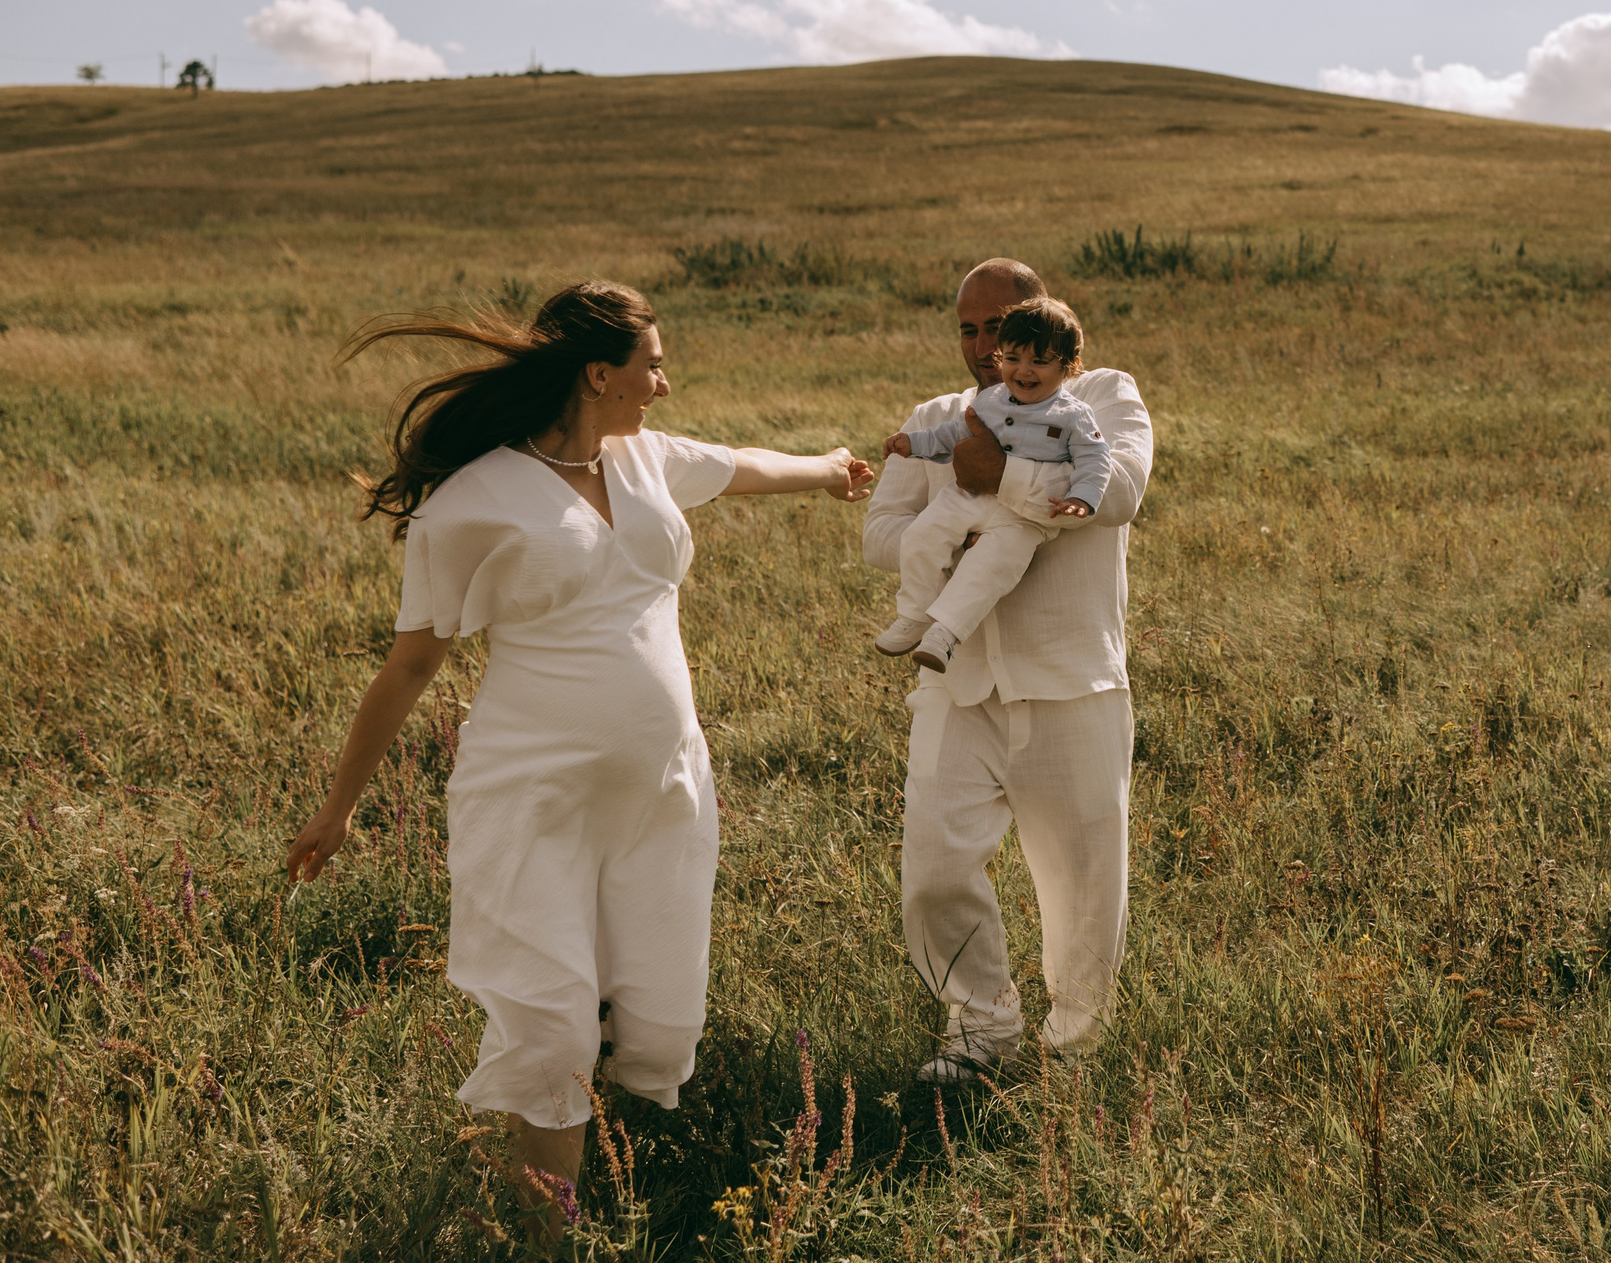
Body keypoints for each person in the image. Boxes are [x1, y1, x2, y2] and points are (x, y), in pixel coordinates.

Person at [284, 281, 871, 1215]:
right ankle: (545, 1228)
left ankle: (611, 1180)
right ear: (600, 372)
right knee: (554, 1018)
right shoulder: (472, 504)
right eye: (653, 364)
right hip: (535, 790)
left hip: (662, 784)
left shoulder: (646, 460)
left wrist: (829, 465)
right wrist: (340, 805)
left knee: (652, 1007)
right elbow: (409, 666)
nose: (664, 383)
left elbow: (744, 464)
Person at [863, 259, 1153, 1080]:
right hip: (956, 683)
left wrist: (1006, 481)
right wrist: (961, 526)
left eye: (1001, 326)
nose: (987, 345)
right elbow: (883, 530)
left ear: (1043, 320)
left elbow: (1123, 489)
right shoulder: (938, 417)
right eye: (968, 328)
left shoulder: (1103, 396)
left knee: (1086, 885)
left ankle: (1077, 1043)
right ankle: (982, 1027)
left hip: (1072, 681)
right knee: (932, 868)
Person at [875, 295, 1110, 673]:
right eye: (1013, 358)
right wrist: (913, 444)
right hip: (967, 497)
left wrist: (1082, 497)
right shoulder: (991, 400)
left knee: (988, 567)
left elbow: (1095, 458)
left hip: (1024, 518)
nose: (1024, 371)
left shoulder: (1074, 415)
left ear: (1071, 366)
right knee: (922, 536)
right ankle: (915, 614)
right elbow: (953, 433)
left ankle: (944, 635)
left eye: (1040, 361)